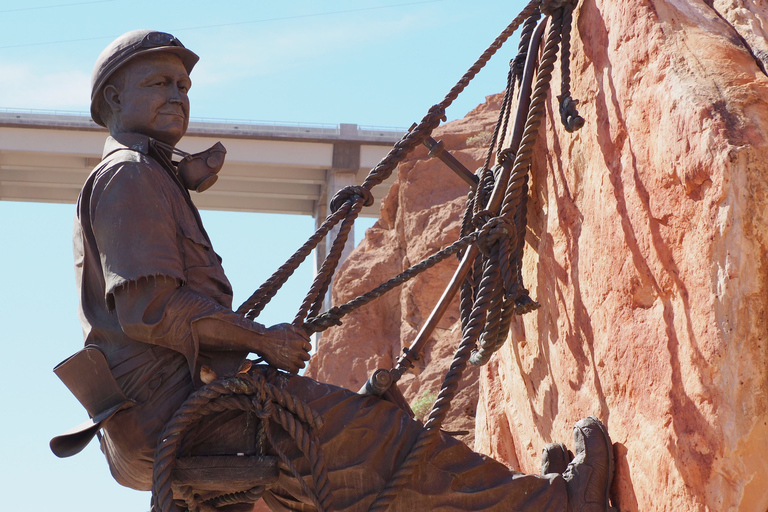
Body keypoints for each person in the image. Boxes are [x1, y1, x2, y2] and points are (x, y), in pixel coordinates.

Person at [53, 30, 615, 512]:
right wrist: (262, 340)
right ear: (113, 97)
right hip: (186, 415)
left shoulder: (146, 174)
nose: (177, 96)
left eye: (183, 88)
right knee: (385, 438)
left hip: (161, 420)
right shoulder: (128, 176)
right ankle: (558, 504)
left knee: (361, 468)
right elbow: (150, 311)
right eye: (159, 84)